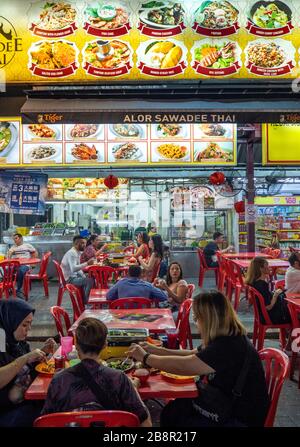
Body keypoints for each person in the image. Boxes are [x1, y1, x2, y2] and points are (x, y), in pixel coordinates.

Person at [128, 291, 270, 427]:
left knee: (174, 416)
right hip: (223, 403)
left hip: (239, 417)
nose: (196, 323)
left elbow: (185, 366)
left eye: (197, 318)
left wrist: (146, 357)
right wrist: (157, 350)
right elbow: (192, 354)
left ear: (209, 320)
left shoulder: (228, 346)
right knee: (173, 411)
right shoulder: (226, 336)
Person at [41, 317, 152, 427]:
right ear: (105, 344)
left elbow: (45, 422)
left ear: (77, 345)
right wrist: (134, 389)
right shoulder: (119, 379)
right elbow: (146, 423)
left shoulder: (59, 381)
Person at [0, 299, 56, 427]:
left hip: (25, 401)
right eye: (25, 325)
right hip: (7, 411)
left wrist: (42, 352)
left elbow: (25, 368)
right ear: (10, 321)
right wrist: (25, 358)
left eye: (30, 324)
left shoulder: (16, 342)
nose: (29, 329)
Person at [245, 257, 291, 324]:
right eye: (267, 266)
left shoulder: (253, 282)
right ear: (261, 269)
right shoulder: (262, 285)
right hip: (270, 317)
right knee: (294, 315)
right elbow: (268, 307)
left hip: (261, 315)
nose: (269, 268)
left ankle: (287, 333)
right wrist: (275, 295)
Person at [61, 235, 94, 304]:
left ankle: (84, 299)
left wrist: (84, 275)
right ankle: (85, 302)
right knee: (90, 281)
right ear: (76, 244)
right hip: (68, 279)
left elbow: (78, 267)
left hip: (73, 276)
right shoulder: (72, 253)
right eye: (82, 243)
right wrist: (87, 263)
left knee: (89, 277)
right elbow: (73, 269)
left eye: (85, 243)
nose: (84, 245)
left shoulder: (77, 252)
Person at [7, 233, 38, 298]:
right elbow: (8, 258)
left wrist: (33, 263)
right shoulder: (13, 247)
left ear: (21, 238)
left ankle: (18, 289)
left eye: (16, 238)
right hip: (15, 264)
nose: (15, 240)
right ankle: (9, 288)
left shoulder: (27, 245)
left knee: (20, 271)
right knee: (7, 270)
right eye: (14, 239)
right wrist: (10, 253)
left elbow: (34, 252)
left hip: (25, 265)